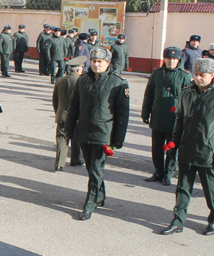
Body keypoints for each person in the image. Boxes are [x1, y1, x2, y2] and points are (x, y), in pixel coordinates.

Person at [161, 58, 214, 236]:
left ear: (212, 75)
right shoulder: (187, 93)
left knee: (211, 191)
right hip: (187, 148)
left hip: (208, 152)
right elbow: (179, 120)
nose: (197, 78)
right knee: (182, 189)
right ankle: (178, 221)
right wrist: (174, 143)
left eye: (202, 75)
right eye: (196, 75)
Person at [65, 47, 130, 220]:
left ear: (107, 63)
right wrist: (69, 129)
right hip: (84, 130)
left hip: (104, 133)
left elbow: (123, 114)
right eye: (93, 61)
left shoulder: (117, 82)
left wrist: (118, 139)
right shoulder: (83, 80)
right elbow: (74, 107)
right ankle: (100, 194)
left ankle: (90, 203)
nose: (96, 64)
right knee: (90, 167)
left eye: (99, 61)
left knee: (95, 167)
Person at [141, 47, 191, 186]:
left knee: (171, 147)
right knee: (156, 147)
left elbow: (188, 98)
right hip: (157, 115)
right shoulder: (157, 74)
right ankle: (158, 171)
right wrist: (145, 112)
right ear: (164, 59)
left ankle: (169, 173)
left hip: (175, 118)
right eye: (169, 59)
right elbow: (149, 94)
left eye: (174, 59)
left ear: (179, 60)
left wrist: (186, 117)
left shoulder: (184, 76)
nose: (171, 61)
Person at [52, 55, 86, 171]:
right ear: (78, 70)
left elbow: (55, 100)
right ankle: (75, 159)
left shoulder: (60, 80)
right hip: (76, 116)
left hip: (62, 114)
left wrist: (58, 112)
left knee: (62, 138)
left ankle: (59, 163)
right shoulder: (80, 81)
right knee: (76, 138)